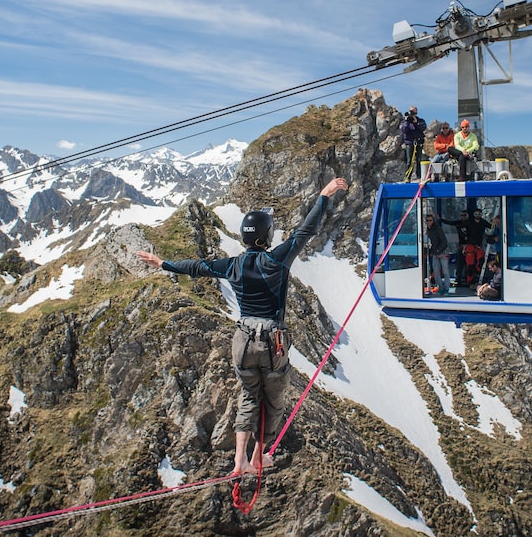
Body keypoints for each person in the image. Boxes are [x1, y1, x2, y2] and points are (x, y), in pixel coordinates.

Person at [136, 177, 349, 475]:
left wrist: (163, 263)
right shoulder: (277, 260)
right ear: (268, 235)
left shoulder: (231, 265)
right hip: (271, 340)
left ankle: (239, 462)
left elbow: (198, 267)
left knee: (248, 396)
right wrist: (324, 194)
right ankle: (259, 457)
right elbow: (305, 231)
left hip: (242, 339)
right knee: (272, 400)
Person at [424, 213, 450, 295]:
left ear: (433, 221)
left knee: (445, 271)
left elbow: (444, 242)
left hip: (442, 252)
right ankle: (440, 288)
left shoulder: (437, 229)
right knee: (436, 272)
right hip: (435, 253)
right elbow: (431, 243)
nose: (428, 222)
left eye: (430, 220)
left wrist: (438, 251)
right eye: (427, 220)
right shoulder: (428, 230)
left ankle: (446, 288)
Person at [400, 106, 427, 182]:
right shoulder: (406, 122)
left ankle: (419, 176)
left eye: (413, 112)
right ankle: (408, 177)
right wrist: (406, 121)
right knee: (409, 161)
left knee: (418, 160)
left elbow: (423, 128)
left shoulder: (420, 120)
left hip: (418, 143)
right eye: (410, 111)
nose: (411, 113)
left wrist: (416, 123)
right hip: (410, 143)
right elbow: (404, 130)